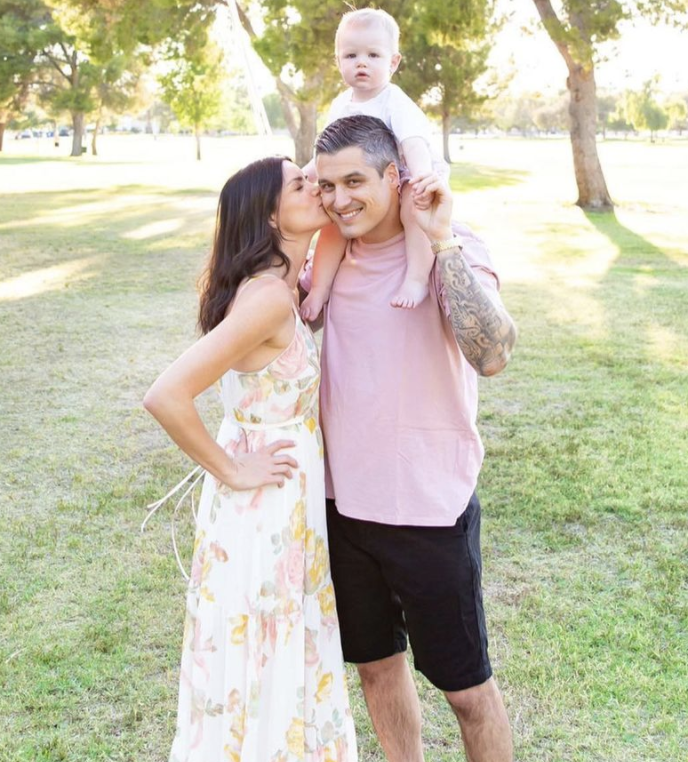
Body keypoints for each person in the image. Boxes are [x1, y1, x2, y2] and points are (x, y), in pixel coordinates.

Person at [309, 114, 517, 762]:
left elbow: (492, 354)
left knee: (467, 692)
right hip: (342, 507)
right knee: (375, 670)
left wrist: (442, 239)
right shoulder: (330, 257)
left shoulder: (451, 245)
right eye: (327, 186)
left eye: (354, 182)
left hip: (429, 509)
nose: (339, 199)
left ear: (394, 176)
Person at [143, 156, 357, 762]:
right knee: (265, 660)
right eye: (300, 185)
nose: (317, 188)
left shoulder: (282, 284)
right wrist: (234, 468)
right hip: (262, 509)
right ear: (269, 215)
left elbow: (334, 225)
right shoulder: (266, 299)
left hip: (286, 506)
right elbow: (166, 395)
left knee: (278, 656)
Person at [300, 7, 447, 319]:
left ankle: (417, 278)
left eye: (373, 55)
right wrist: (304, 176)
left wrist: (422, 177)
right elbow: (326, 154)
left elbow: (413, 143)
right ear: (338, 61)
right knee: (334, 220)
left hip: (406, 174)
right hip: (358, 182)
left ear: (393, 62)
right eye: (351, 55)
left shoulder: (395, 102)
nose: (361, 62)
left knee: (414, 208)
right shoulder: (340, 105)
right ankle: (319, 288)